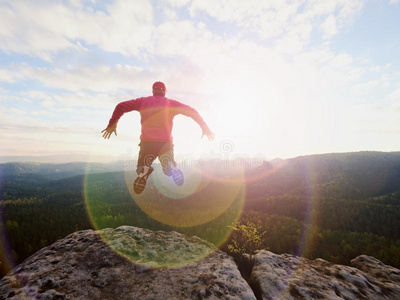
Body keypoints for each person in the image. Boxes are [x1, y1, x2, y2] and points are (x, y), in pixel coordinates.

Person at [102, 81, 215, 194]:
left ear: (153, 91)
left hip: (147, 143)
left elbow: (120, 106)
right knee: (167, 170)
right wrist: (204, 127)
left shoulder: (142, 101)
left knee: (140, 168)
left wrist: (112, 123)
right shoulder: (171, 104)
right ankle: (171, 167)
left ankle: (144, 172)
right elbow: (191, 111)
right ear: (164, 92)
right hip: (165, 144)